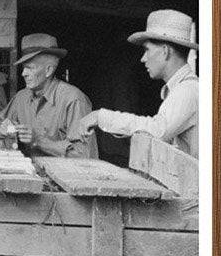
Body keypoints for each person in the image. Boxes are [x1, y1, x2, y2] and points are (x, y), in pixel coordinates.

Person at [80, 9, 199, 158]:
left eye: (147, 50)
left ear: (165, 51)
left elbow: (157, 130)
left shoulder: (187, 90)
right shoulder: (181, 89)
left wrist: (101, 116)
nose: (143, 58)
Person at [3, 33, 98, 158]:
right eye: (23, 68)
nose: (23, 74)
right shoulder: (21, 97)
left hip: (63, 175)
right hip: (29, 172)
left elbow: (84, 155)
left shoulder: (74, 100)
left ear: (48, 70)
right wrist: (3, 127)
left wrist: (38, 141)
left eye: (30, 68)